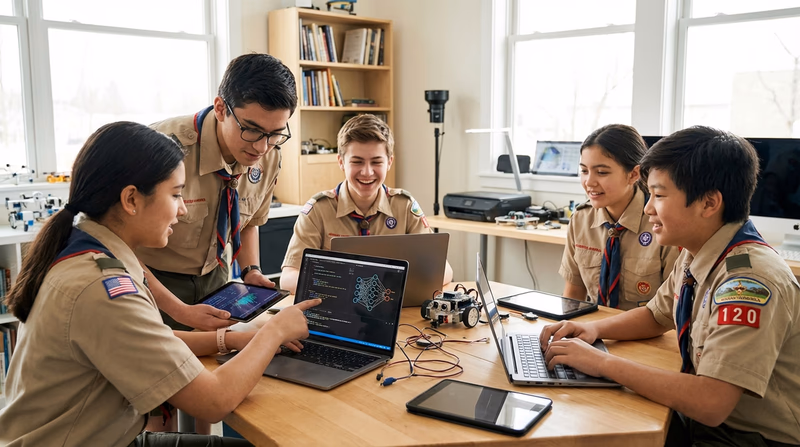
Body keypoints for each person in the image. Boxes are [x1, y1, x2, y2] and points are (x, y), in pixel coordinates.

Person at [0, 122, 319, 446]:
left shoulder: (87, 250)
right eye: (176, 194)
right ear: (131, 200)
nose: (182, 210)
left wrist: (230, 340)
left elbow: (153, 338)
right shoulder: (102, 290)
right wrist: (274, 331)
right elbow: (214, 402)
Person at [541, 126, 800, 446]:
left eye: (659, 196)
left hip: (745, 437)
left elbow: (711, 402)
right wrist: (594, 331)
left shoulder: (748, 282)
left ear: (709, 203)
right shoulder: (699, 252)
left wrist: (602, 363)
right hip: (704, 421)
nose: (648, 208)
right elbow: (655, 315)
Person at [137, 53, 297, 332]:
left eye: (275, 134)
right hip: (152, 283)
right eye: (252, 130)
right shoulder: (161, 151)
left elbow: (248, 223)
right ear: (221, 108)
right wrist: (180, 311)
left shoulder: (269, 156)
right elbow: (120, 249)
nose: (262, 147)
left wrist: (251, 271)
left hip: (216, 279)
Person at [279, 114, 453, 294]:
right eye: (357, 162)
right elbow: (288, 278)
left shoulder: (405, 206)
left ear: (389, 162)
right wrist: (339, 282)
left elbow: (444, 271)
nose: (367, 172)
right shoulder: (318, 210)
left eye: (376, 162)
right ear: (341, 162)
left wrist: (394, 281)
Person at [560, 124, 679, 310]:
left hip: (646, 334)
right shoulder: (581, 219)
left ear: (633, 174)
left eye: (602, 172)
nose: (589, 182)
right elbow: (573, 296)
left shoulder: (661, 222)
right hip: (591, 333)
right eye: (584, 171)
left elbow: (673, 308)